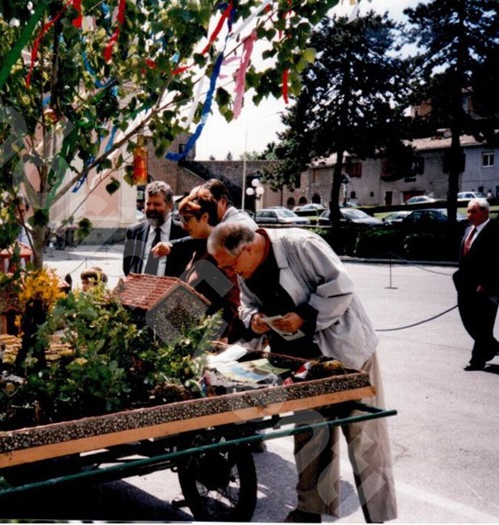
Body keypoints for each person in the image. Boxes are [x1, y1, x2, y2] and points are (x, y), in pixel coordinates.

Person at [208, 221, 397, 523]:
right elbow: (247, 303)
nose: (233, 274)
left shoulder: (301, 244)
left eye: (233, 266)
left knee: (365, 435)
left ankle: (379, 516)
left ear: (248, 248)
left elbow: (341, 285)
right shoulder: (245, 265)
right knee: (310, 432)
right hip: (300, 360)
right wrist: (254, 317)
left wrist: (304, 316)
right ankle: (310, 510)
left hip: (346, 351)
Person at [153, 188, 244, 342]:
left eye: (187, 219)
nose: (183, 226)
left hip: (212, 339)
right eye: (181, 220)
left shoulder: (219, 253)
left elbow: (230, 300)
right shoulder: (202, 243)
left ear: (205, 217)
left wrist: (223, 335)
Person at [453, 198, 499, 371]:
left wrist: (486, 283)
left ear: (485, 212)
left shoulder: (497, 231)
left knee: (483, 323)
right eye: (468, 211)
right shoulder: (468, 229)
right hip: (465, 285)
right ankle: (494, 347)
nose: (469, 215)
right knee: (469, 320)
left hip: (485, 287)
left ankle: (478, 360)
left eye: (473, 212)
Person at [123, 180, 188, 277]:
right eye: (148, 204)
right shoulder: (134, 232)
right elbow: (127, 267)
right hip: (140, 290)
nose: (152, 208)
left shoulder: (184, 232)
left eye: (157, 204)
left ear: (169, 206)